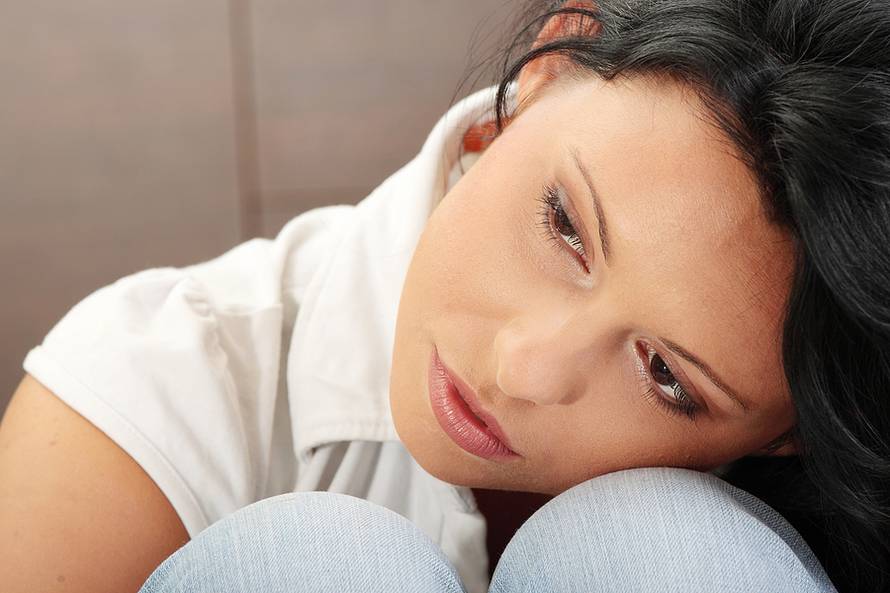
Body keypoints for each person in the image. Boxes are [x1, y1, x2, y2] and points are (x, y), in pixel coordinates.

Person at [2, 0, 888, 591]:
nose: (524, 367)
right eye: (564, 225)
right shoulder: (144, 395)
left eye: (664, 374)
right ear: (541, 71)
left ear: (786, 436)